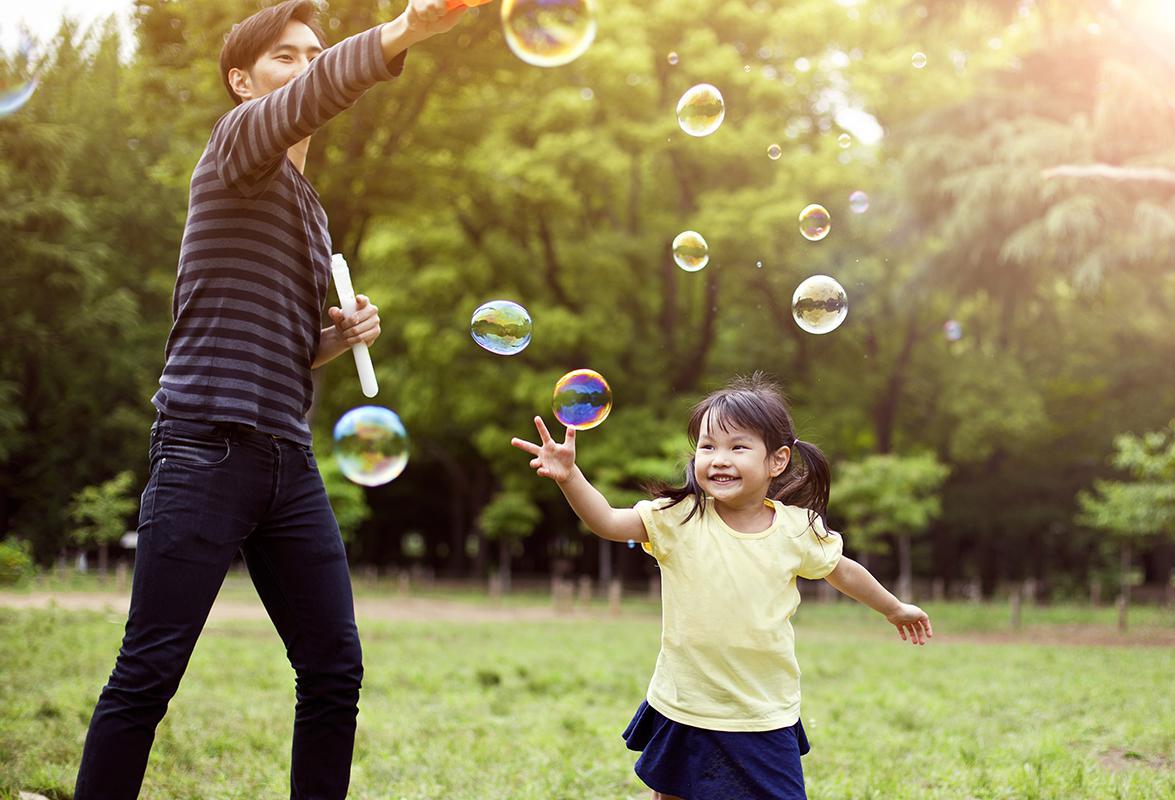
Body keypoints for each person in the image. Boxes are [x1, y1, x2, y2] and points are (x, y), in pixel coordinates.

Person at [73, 2, 466, 798]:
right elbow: (316, 93)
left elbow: (285, 348)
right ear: (242, 80)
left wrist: (334, 340)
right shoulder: (236, 146)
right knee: (147, 674)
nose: (305, 66)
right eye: (287, 57)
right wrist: (401, 33)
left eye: (311, 53)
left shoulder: (310, 208)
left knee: (333, 671)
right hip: (205, 447)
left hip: (286, 457)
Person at [511, 373, 933, 800]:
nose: (718, 458)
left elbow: (842, 570)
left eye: (737, 447)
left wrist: (893, 607)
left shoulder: (795, 529)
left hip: (761, 711)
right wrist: (570, 477)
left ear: (777, 460)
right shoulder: (679, 518)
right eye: (708, 447)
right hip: (686, 702)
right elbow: (606, 522)